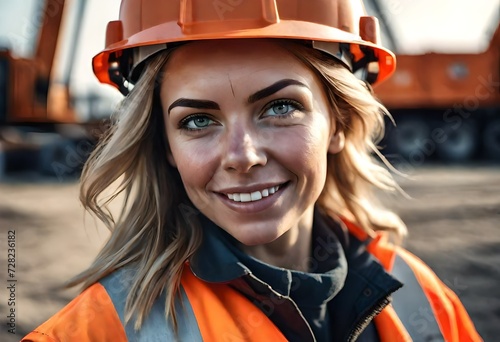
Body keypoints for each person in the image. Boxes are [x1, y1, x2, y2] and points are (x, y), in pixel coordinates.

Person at [22, 0, 482, 341]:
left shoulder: (422, 296)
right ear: (165, 145)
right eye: (198, 121)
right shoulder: (97, 331)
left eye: (280, 107)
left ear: (338, 123)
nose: (242, 156)